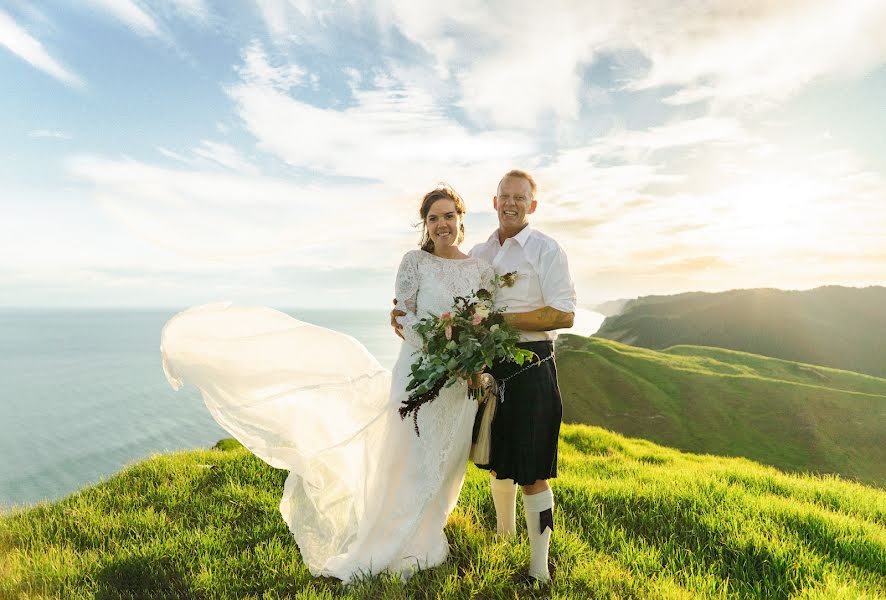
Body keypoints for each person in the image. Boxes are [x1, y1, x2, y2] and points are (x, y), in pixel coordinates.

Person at [160, 184, 494, 582]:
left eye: (448, 216)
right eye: (433, 218)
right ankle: (388, 540)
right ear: (426, 225)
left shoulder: (481, 270)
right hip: (418, 372)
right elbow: (403, 317)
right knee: (409, 456)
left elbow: (484, 323)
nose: (442, 224)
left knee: (446, 458)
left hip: (460, 384)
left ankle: (427, 535)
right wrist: (443, 348)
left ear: (461, 218)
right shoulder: (414, 263)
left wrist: (470, 361)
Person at [392, 169, 575, 582]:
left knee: (532, 470)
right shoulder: (479, 252)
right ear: (494, 202)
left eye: (520, 197)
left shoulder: (546, 250)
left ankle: (539, 570)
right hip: (486, 369)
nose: (511, 203)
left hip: (531, 364)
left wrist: (496, 321)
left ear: (532, 204)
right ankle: (503, 537)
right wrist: (404, 313)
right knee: (497, 460)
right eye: (504, 196)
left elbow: (564, 312)